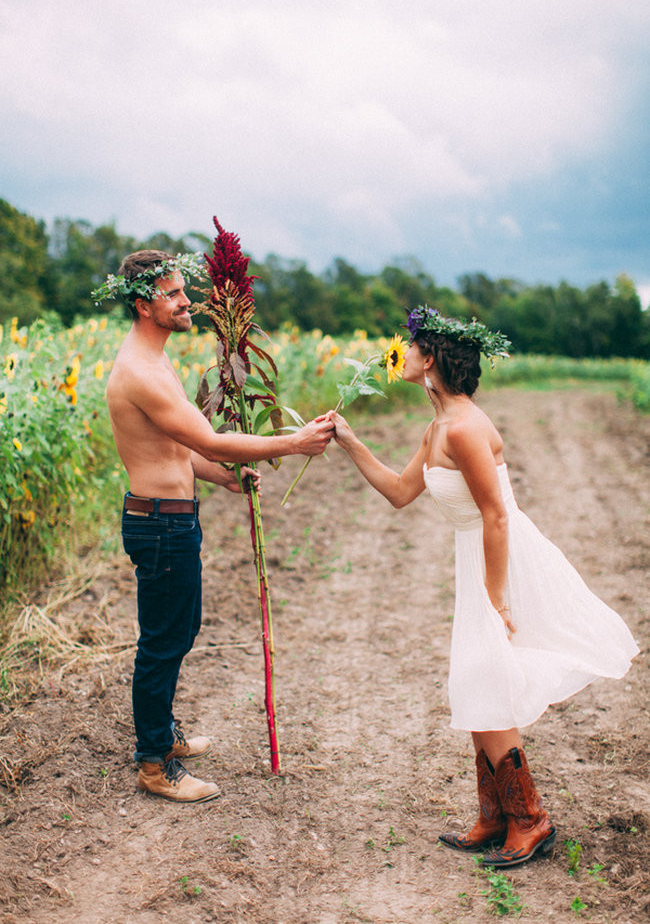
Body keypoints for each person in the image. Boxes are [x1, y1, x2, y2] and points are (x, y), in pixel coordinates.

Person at [328, 306, 639, 866]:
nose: (402, 350)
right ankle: (494, 816)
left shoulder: (467, 427)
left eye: (413, 344)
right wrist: (349, 442)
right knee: (475, 679)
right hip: (475, 558)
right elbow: (400, 492)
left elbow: (495, 516)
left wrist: (496, 599)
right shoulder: (439, 426)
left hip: (500, 558)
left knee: (489, 679)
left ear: (432, 361)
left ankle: (530, 819)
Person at [104, 250, 334, 804]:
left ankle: (163, 735)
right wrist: (292, 442)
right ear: (143, 305)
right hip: (159, 525)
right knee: (162, 644)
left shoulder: (156, 360)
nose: (189, 302)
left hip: (172, 521)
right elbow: (206, 438)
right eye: (174, 295)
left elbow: (182, 450)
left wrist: (223, 478)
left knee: (178, 634)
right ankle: (154, 764)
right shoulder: (140, 371)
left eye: (186, 290)